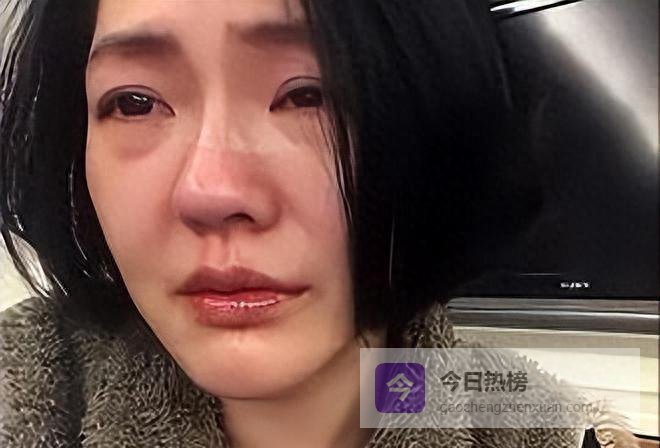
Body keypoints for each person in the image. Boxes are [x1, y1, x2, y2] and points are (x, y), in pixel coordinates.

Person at [0, 0, 638, 447]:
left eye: (310, 94)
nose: (210, 192)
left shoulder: (517, 411)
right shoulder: (27, 387)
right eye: (135, 102)